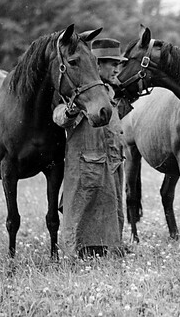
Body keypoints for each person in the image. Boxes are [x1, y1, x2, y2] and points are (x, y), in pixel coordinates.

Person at [53, 37, 128, 259]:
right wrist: (70, 111)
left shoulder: (112, 92)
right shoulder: (79, 92)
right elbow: (59, 114)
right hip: (86, 163)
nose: (117, 68)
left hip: (112, 162)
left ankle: (111, 247)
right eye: (112, 63)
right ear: (97, 64)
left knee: (112, 208)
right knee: (81, 208)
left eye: (118, 64)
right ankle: (77, 252)